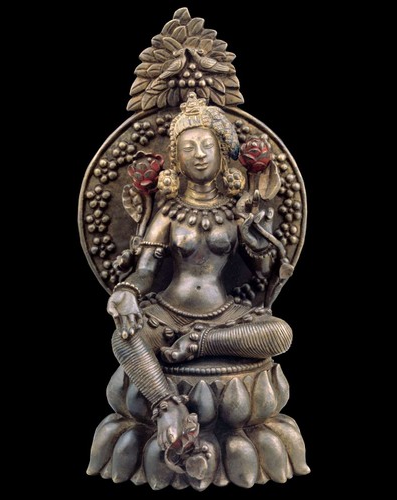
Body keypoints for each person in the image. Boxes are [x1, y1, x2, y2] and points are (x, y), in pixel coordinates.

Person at [107, 92, 293, 452]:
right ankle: (167, 406)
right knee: (124, 338)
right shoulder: (168, 213)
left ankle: (200, 343)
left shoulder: (236, 210)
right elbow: (145, 270)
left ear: (222, 154)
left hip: (224, 315)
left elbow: (261, 273)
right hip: (168, 312)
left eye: (207, 146)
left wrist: (257, 238)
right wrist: (127, 291)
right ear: (176, 158)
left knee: (280, 333)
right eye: (189, 148)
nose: (200, 154)